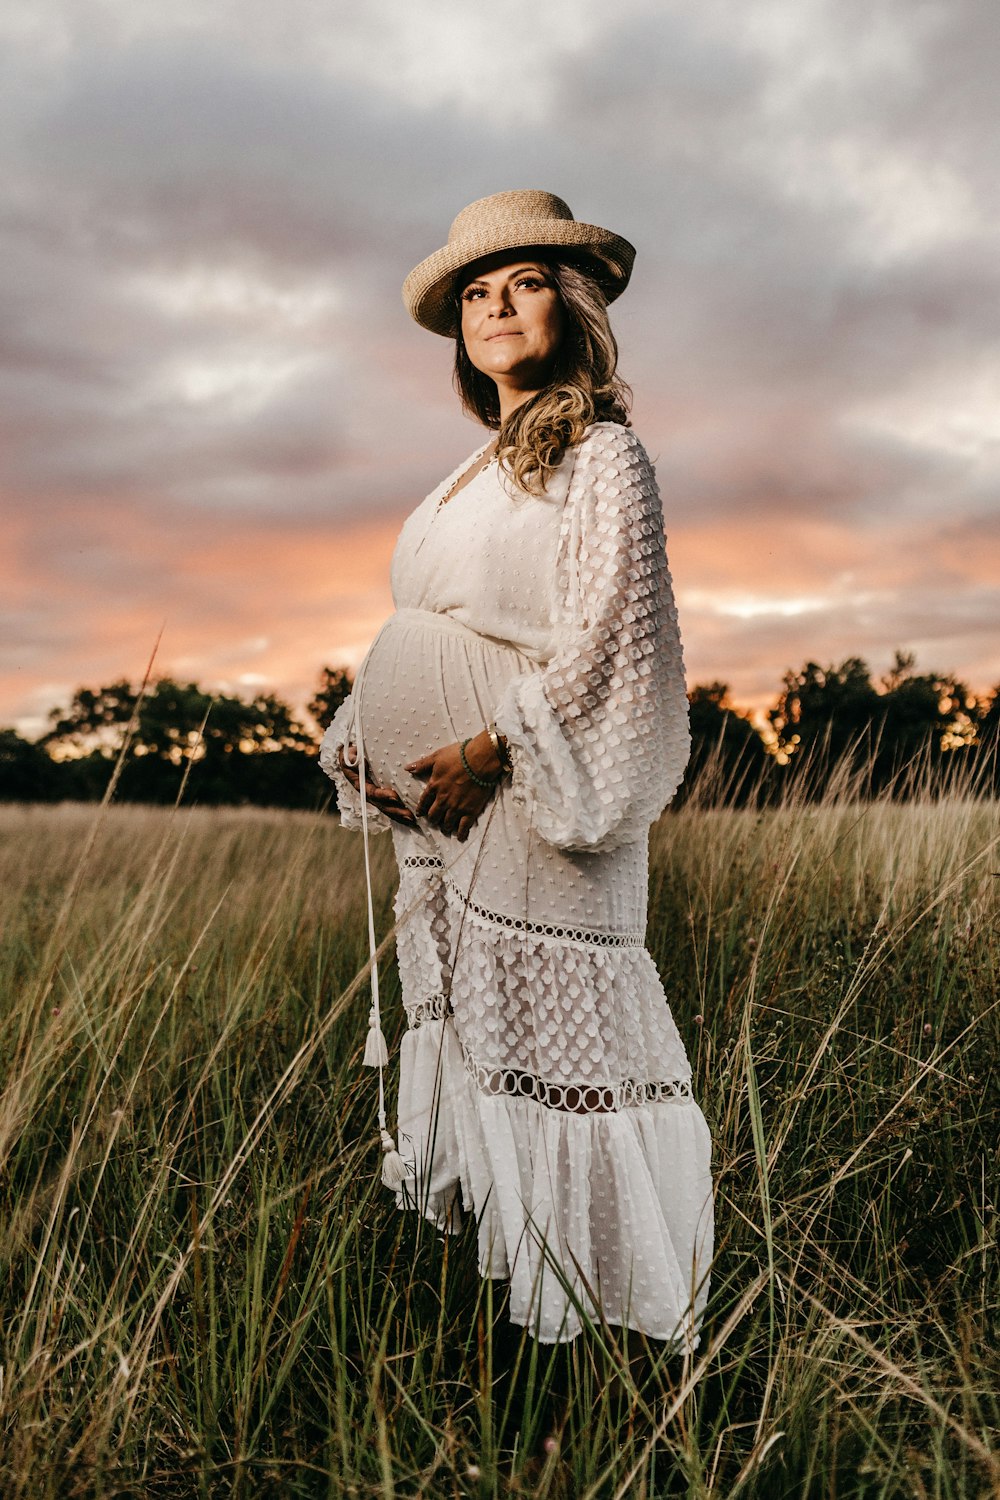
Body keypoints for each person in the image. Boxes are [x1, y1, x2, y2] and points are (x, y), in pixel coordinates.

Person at [320, 189, 713, 1346]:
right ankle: (511, 1319)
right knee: (494, 1056)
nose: (495, 307)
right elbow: (425, 628)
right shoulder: (469, 474)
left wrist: (490, 750)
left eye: (523, 282)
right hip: (447, 820)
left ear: (572, 304)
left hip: (535, 804)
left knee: (567, 1067)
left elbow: (613, 640)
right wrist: (364, 740)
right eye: (476, 295)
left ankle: (615, 1334)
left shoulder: (604, 455)